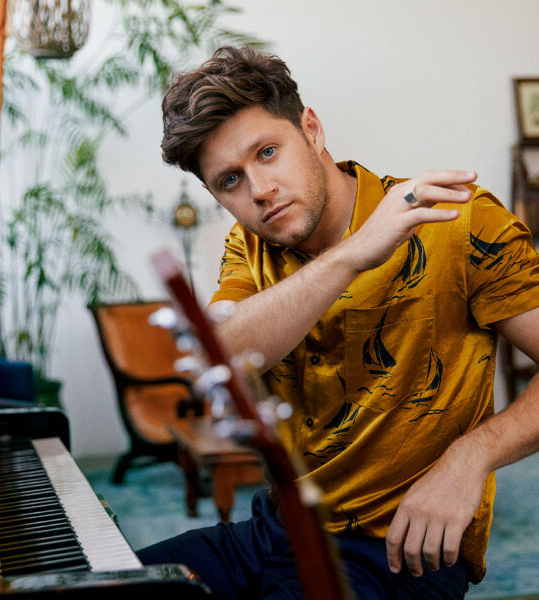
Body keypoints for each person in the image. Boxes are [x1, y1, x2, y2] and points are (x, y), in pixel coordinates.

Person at [137, 46, 539, 599]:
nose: (259, 189)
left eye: (268, 152)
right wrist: (353, 254)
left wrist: (472, 457)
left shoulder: (453, 221)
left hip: (396, 551)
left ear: (312, 129)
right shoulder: (248, 247)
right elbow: (222, 352)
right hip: (278, 530)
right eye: (230, 180)